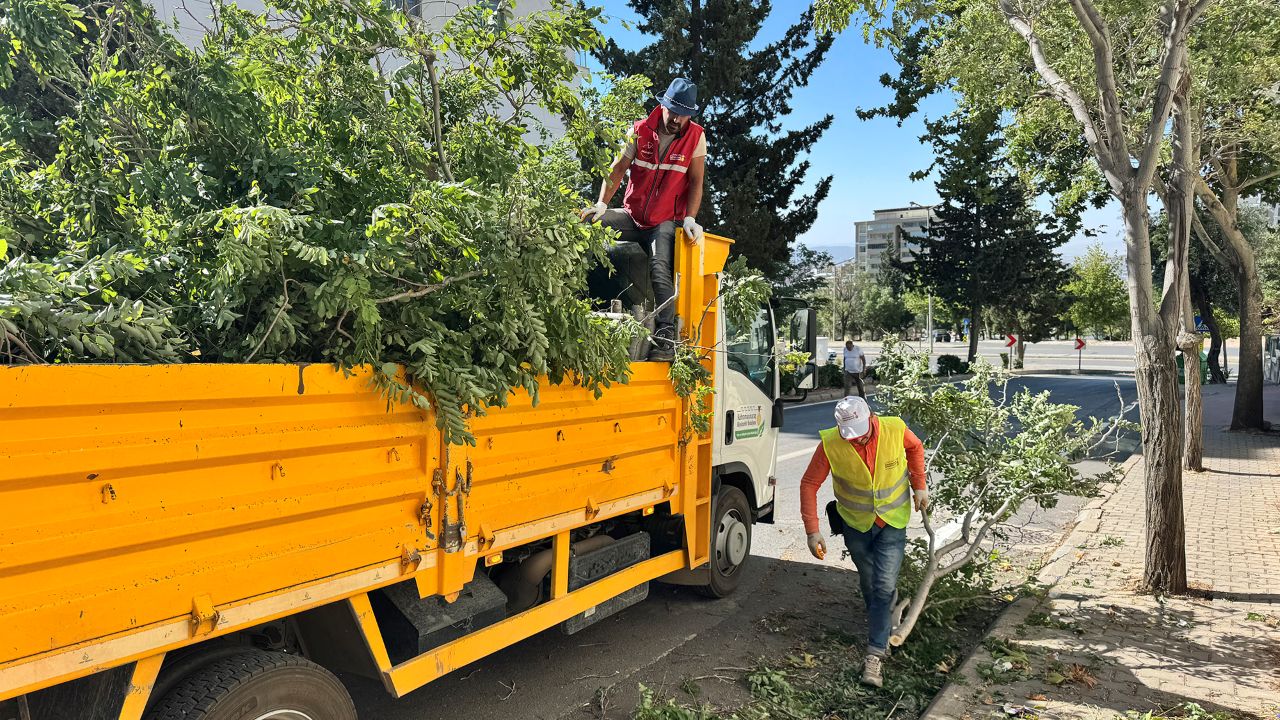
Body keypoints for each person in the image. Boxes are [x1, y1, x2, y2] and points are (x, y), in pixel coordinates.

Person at [800, 396, 929, 688]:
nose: (856, 441)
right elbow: (809, 483)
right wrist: (813, 531)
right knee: (871, 583)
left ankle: (875, 653)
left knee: (884, 585)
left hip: (892, 522)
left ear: (870, 418)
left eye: (861, 434)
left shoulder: (894, 428)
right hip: (855, 525)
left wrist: (919, 485)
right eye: (851, 437)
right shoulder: (832, 443)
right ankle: (881, 623)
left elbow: (916, 448)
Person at [581, 77, 707, 361]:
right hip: (632, 215)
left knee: (660, 268)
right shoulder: (639, 130)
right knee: (586, 224)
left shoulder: (696, 136)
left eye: (683, 114)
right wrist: (602, 204)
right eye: (673, 111)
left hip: (664, 221)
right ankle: (573, 298)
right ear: (663, 105)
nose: (677, 119)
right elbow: (617, 168)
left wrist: (690, 217)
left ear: (690, 114)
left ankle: (665, 338)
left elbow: (697, 181)